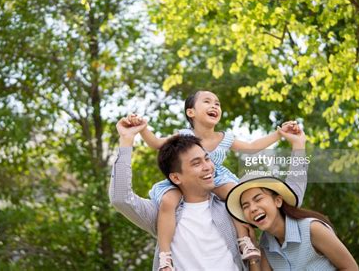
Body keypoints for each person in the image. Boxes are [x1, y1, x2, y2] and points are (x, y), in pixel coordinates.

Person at [127, 90, 300, 270]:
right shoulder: (184, 135)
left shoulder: (224, 138)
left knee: (235, 196)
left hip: (217, 177)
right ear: (190, 112)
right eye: (207, 102)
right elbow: (156, 143)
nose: (214, 106)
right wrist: (143, 128)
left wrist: (279, 134)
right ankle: (165, 255)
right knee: (168, 202)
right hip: (189, 180)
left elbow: (251, 147)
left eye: (217, 103)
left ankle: (244, 241)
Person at [226, 175, 359, 270]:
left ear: (278, 201)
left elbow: (351, 267)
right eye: (245, 206)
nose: (253, 208)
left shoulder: (312, 228)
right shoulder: (266, 244)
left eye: (258, 199)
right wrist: (252, 250)